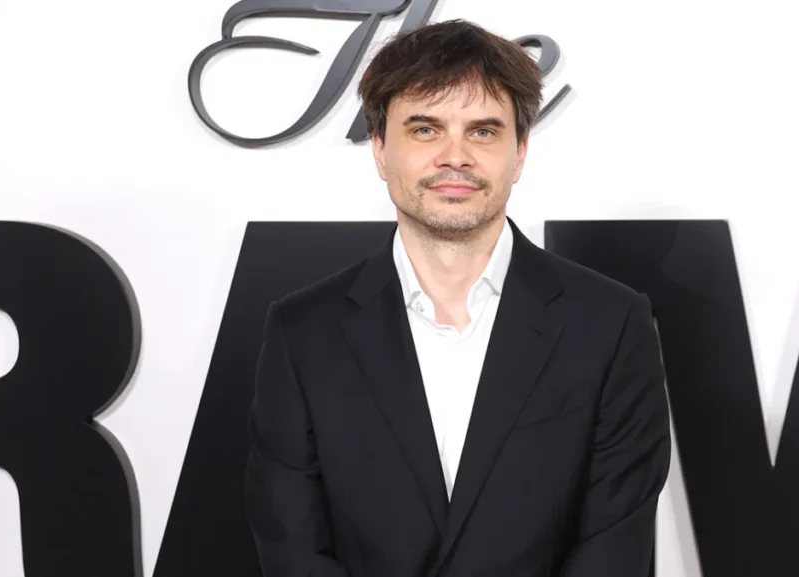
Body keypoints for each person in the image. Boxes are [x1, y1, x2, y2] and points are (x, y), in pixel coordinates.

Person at [243, 18, 671, 577]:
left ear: (520, 153)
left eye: (483, 132)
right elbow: (293, 549)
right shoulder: (303, 332)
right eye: (425, 129)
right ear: (380, 151)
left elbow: (613, 549)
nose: (455, 156)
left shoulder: (611, 323)